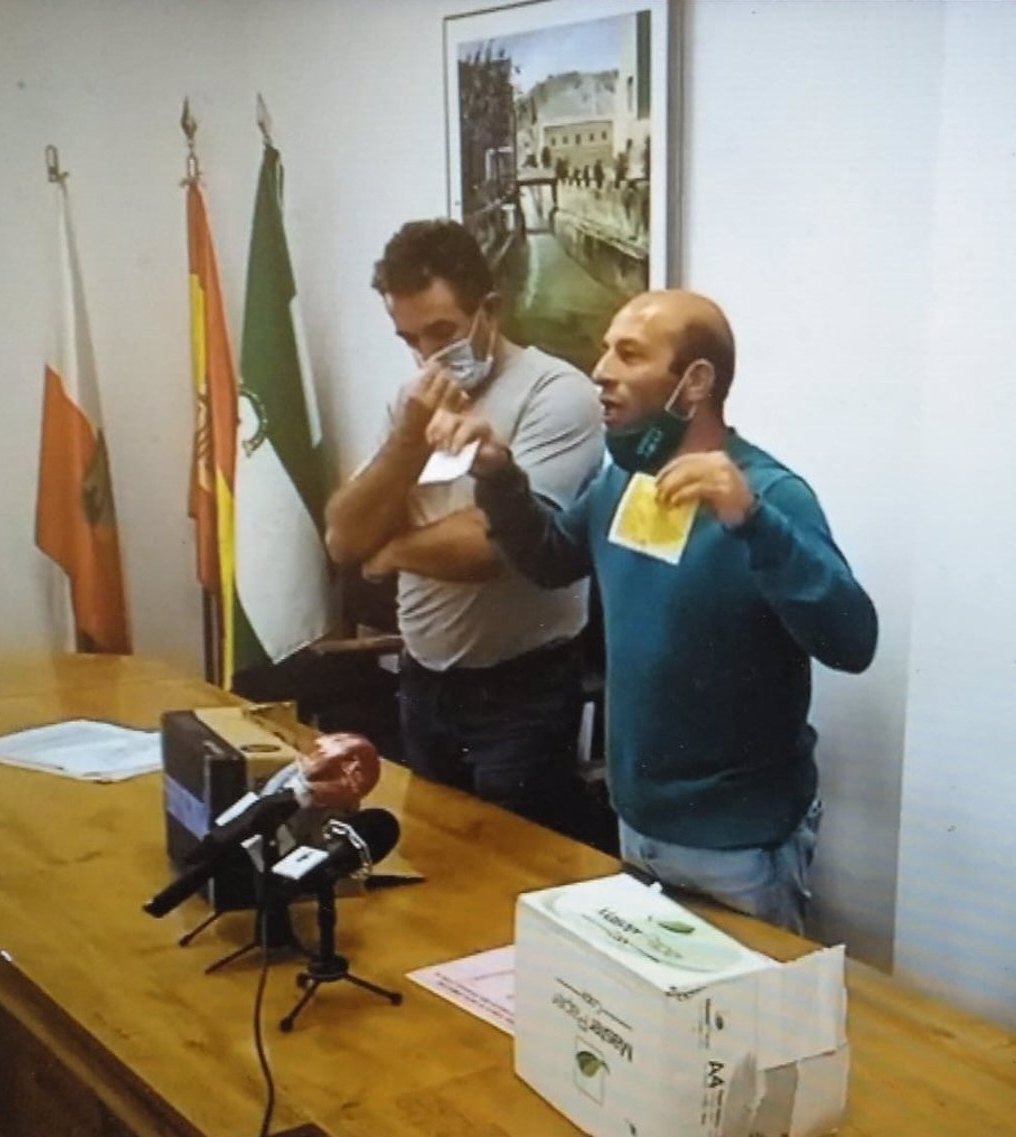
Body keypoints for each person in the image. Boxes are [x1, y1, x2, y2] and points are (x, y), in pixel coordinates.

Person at [445, 289, 878, 933]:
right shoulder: (625, 478)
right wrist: (499, 476)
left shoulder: (773, 494)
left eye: (629, 353)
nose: (601, 371)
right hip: (637, 827)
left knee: (747, 1030)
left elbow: (853, 641)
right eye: (604, 350)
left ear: (695, 382)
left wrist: (755, 523)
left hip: (736, 850)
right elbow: (552, 558)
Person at [322, 220, 603, 838]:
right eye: (410, 339)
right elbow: (345, 537)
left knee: (513, 865)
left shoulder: (558, 395)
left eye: (443, 332)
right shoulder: (413, 399)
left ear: (490, 311)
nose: (428, 356)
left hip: (521, 691)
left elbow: (492, 544)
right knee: (434, 859)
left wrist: (394, 547)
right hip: (424, 679)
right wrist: (408, 439)